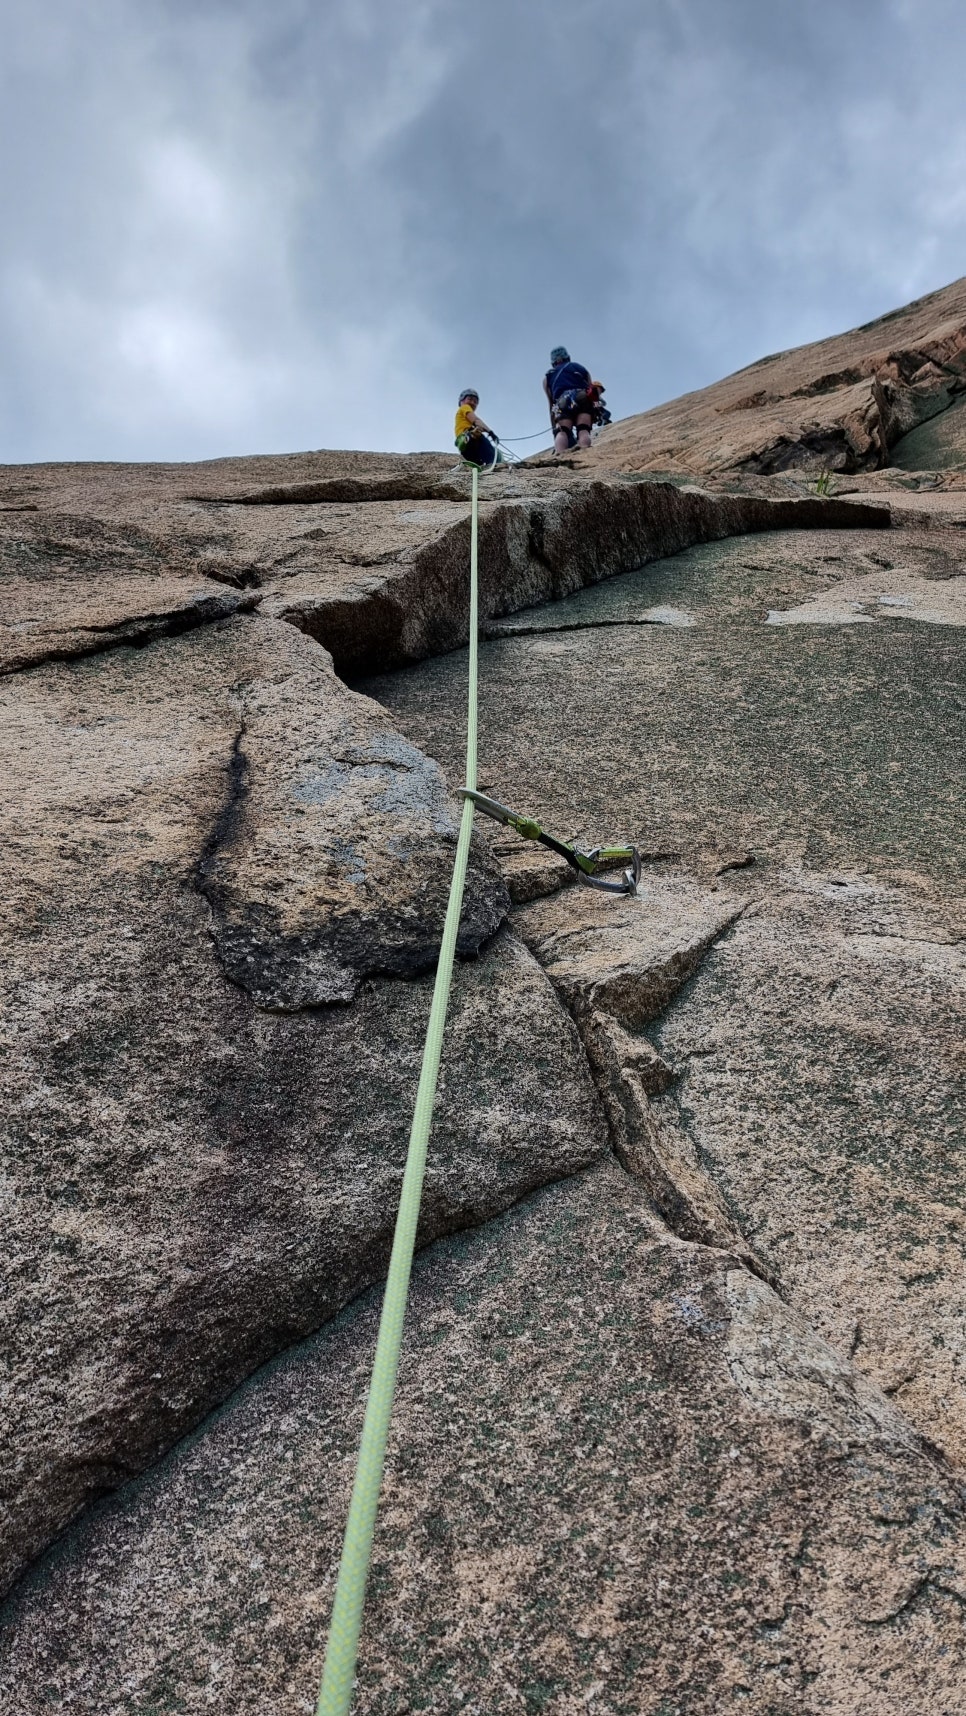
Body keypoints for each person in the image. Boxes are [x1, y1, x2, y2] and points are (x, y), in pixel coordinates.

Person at [543, 347, 606, 453]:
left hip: (562, 401)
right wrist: (598, 410)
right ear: (567, 357)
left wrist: (554, 425)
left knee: (562, 431)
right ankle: (585, 453)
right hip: (582, 396)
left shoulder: (548, 377)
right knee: (583, 429)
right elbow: (591, 390)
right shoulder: (579, 368)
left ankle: (560, 457)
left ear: (553, 362)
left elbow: (551, 402)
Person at [454, 389, 502, 467]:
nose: (472, 402)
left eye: (475, 402)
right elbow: (476, 420)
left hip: (464, 446)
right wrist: (490, 432)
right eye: (470, 399)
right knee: (492, 456)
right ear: (461, 401)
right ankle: (495, 467)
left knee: (477, 464)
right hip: (471, 439)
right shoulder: (465, 407)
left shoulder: (461, 416)